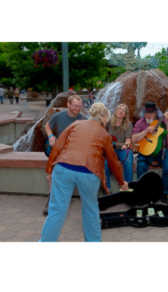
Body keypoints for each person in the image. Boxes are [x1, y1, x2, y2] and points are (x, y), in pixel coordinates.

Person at [40, 103, 128, 242]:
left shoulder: (76, 124)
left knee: (57, 210)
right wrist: (122, 182)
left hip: (63, 168)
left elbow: (58, 146)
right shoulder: (104, 134)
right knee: (91, 211)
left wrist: (49, 169)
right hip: (88, 172)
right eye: (107, 120)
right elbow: (113, 161)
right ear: (104, 118)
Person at [43, 94, 87, 216]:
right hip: (57, 149)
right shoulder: (58, 116)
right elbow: (47, 126)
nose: (77, 108)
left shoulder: (83, 119)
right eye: (74, 106)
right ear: (68, 105)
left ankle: (65, 198)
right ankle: (51, 198)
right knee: (52, 170)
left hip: (72, 151)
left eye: (79, 106)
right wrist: (51, 136)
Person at [132, 102, 168, 204]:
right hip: (145, 151)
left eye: (151, 113)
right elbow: (133, 139)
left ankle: (163, 192)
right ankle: (142, 192)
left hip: (161, 151)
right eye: (146, 113)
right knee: (141, 167)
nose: (149, 115)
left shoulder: (162, 121)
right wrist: (146, 131)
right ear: (143, 113)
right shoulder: (140, 123)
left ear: (156, 113)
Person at [105, 104, 134, 191]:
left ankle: (127, 186)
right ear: (115, 111)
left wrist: (126, 145)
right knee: (105, 163)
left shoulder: (128, 124)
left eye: (124, 110)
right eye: (119, 109)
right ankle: (107, 188)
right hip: (110, 148)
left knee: (128, 161)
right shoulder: (108, 123)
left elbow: (128, 140)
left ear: (125, 114)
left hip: (122, 148)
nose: (121, 111)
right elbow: (104, 137)